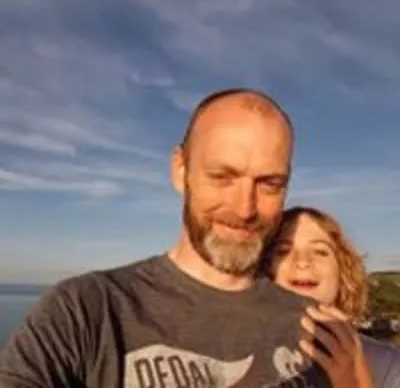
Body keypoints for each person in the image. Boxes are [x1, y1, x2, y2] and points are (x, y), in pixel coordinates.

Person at [0, 88, 333, 388]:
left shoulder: (317, 329)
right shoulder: (86, 310)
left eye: (269, 184)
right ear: (180, 170)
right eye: (222, 177)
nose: (244, 209)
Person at [264, 205, 400, 387]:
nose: (303, 261)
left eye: (320, 251)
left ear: (342, 271)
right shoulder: (234, 357)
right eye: (283, 250)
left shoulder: (389, 365)